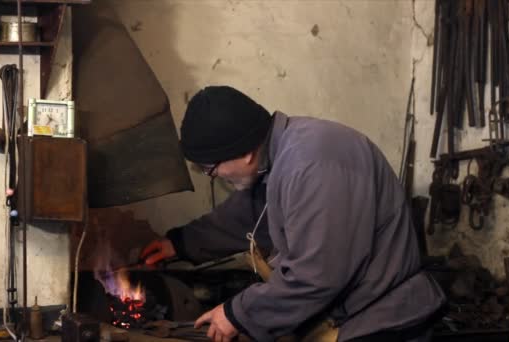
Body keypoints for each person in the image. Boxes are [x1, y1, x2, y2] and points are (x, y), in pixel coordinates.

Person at [140, 86, 446, 342]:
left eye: (211, 168)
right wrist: (180, 243)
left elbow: (317, 274)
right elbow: (250, 215)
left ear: (245, 152)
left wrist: (238, 313)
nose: (213, 176)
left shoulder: (314, 164)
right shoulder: (279, 156)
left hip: (385, 323)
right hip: (356, 315)